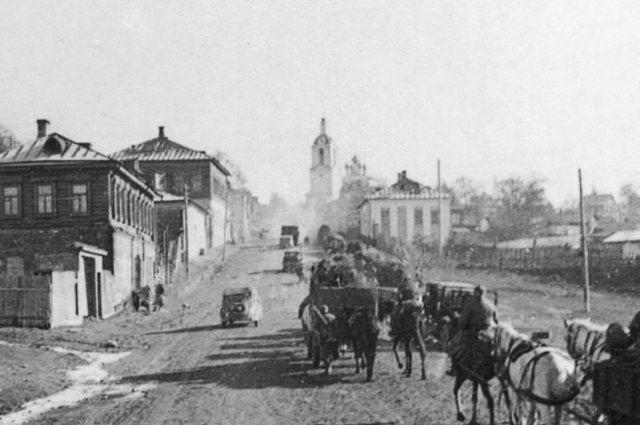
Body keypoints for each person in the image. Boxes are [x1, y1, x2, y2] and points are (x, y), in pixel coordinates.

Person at [446, 285, 498, 376]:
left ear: (476, 292)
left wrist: (462, 326)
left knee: (453, 344)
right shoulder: (491, 305)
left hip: (473, 332)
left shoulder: (471, 304)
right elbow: (496, 320)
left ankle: (454, 368)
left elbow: (463, 321)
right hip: (488, 333)